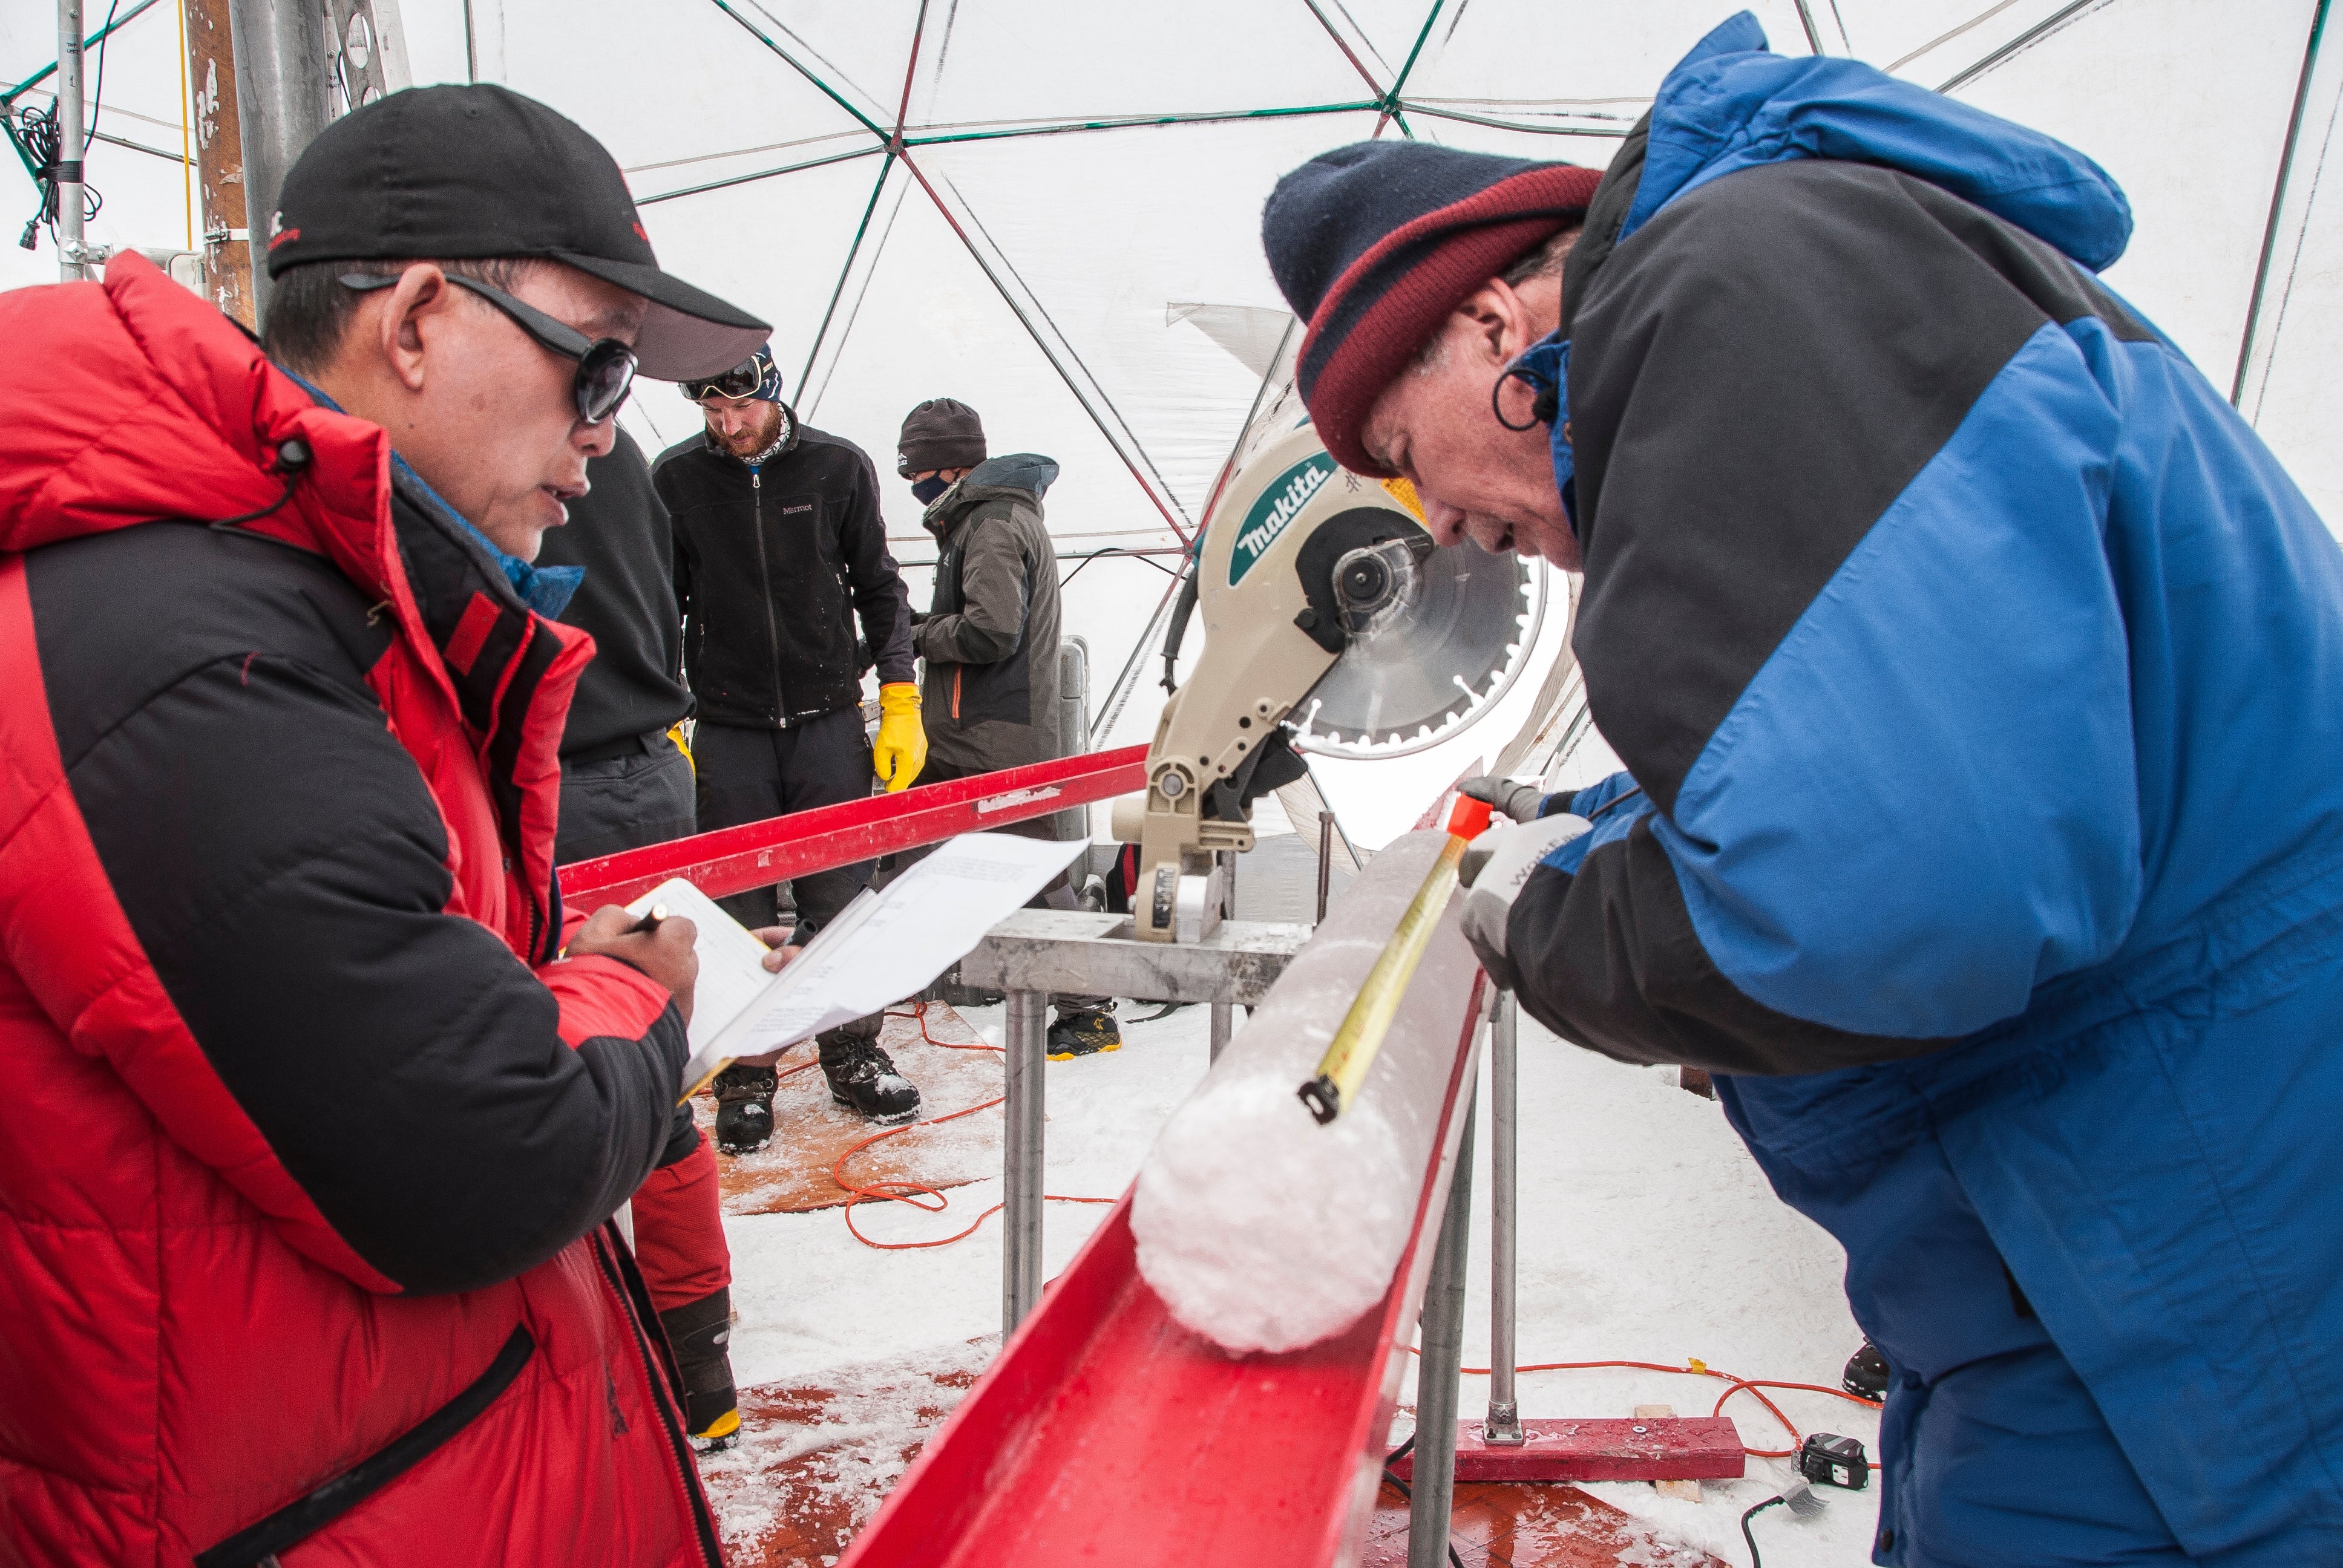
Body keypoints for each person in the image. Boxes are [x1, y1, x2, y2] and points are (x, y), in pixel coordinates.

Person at [1263, 15, 2343, 1565]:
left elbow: (1895, 896)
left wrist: (1550, 928)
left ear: (1494, 320)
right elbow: (1932, 722)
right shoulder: (1784, 285)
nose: (1433, 518)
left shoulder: (1738, 288)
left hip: (2191, 1276)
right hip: (2110, 1233)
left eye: (1397, 449)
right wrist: (1621, 829)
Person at [0, 84, 774, 1566]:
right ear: (417, 320)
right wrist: (639, 992)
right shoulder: (182, 644)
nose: (610, 436)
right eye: (597, 370)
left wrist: (537, 981)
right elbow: (488, 1150)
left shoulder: (294, 592)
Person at [655, 348, 925, 1140]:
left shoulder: (836, 467)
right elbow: (660, 605)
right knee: (738, 905)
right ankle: (747, 1072)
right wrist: (666, 709)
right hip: (730, 725)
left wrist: (900, 693)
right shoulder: (676, 482)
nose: (728, 427)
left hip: (827, 720)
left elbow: (880, 585)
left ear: (770, 393)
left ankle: (853, 1056)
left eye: (739, 409)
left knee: (837, 897)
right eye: (712, 413)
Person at [534, 429, 742, 1448]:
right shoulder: (620, 458)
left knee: (570, 1069)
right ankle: (702, 1367)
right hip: (654, 769)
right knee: (662, 1083)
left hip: (559, 782)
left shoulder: (493, 447)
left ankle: (609, 1378)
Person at [898, 399, 1116, 1057]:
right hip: (978, 729)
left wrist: (914, 635)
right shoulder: (990, 515)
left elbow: (991, 631)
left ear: (946, 467)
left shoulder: (990, 523)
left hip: (992, 733)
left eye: (915, 470)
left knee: (1034, 873)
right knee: (907, 847)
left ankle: (1091, 1009)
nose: (912, 485)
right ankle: (886, 989)